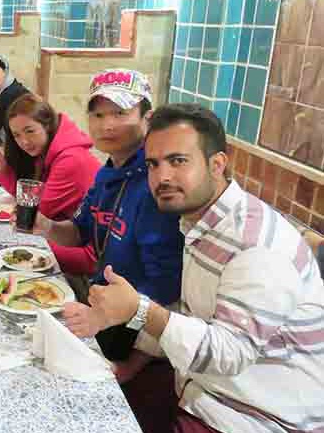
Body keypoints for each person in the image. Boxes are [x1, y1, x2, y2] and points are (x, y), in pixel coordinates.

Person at [86, 103, 324, 433]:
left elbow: (229, 353)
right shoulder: (198, 223)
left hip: (254, 417)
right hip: (197, 387)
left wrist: (139, 310)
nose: (162, 177)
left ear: (217, 164)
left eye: (178, 161)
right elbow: (192, 318)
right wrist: (119, 335)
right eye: (153, 164)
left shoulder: (256, 245)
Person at [29, 69, 183, 366]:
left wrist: (130, 364)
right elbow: (80, 232)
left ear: (147, 118)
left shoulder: (155, 185)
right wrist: (45, 226)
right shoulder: (108, 172)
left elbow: (167, 288)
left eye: (120, 113)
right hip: (100, 304)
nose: (107, 125)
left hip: (133, 330)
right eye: (98, 115)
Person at [0, 94, 101, 275]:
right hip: (66, 236)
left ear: (47, 125)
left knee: (0, 254)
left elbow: (36, 213)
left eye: (30, 131)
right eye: (17, 135)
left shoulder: (71, 160)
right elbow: (30, 206)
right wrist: (3, 172)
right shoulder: (48, 151)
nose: (24, 141)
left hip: (88, 255)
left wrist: (5, 174)